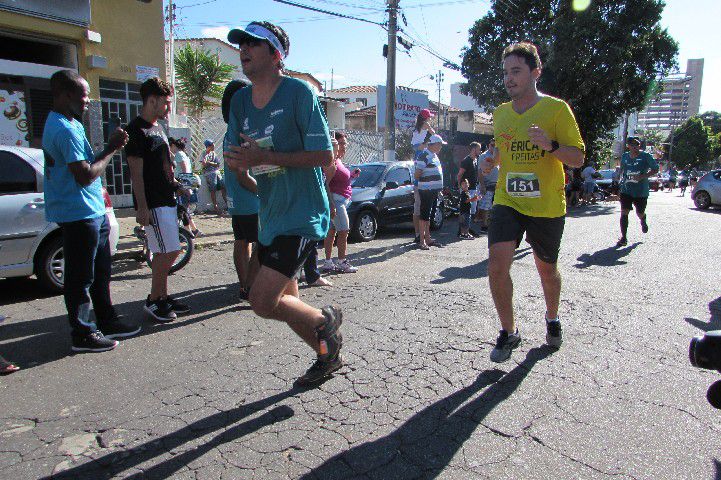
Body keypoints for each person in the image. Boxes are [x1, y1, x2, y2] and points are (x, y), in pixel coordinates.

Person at [224, 21, 344, 387]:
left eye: (252, 44)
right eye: (240, 44)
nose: (243, 49)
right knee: (287, 301)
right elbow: (239, 158)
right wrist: (242, 166)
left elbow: (324, 154)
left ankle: (325, 323)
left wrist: (268, 156)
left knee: (261, 300)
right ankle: (328, 355)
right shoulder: (241, 102)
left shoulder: (298, 93)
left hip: (303, 214)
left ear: (276, 54)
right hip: (270, 216)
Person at [487, 42, 585, 363]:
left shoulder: (556, 110)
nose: (509, 78)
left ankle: (552, 317)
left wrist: (550, 144)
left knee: (547, 270)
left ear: (535, 72)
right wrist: (489, 161)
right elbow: (500, 152)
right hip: (508, 200)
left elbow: (578, 157)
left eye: (516, 71)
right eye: (506, 73)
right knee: (497, 266)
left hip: (546, 205)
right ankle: (509, 331)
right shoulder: (500, 114)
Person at [42, 70, 140, 352]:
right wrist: (112, 148)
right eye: (83, 95)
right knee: (80, 277)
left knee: (100, 271)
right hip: (78, 213)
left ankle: (106, 319)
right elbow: (84, 175)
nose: (87, 100)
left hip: (92, 210)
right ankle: (82, 334)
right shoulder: (63, 128)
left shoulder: (71, 123)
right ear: (65, 94)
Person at [125, 77, 192, 323]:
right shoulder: (135, 131)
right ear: (151, 100)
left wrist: (177, 186)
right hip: (153, 202)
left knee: (167, 250)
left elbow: (164, 167)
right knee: (169, 251)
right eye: (165, 103)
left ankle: (162, 297)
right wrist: (142, 207)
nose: (168, 108)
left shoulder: (157, 128)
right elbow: (136, 172)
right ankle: (155, 300)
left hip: (166, 198)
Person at [221, 80, 263, 300]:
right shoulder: (241, 134)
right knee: (260, 243)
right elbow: (242, 174)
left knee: (241, 240)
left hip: (236, 200)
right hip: (250, 199)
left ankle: (244, 285)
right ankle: (250, 287)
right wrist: (264, 193)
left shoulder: (230, 132)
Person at [321, 131, 360, 273]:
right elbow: (326, 184)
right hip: (336, 201)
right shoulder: (331, 162)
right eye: (341, 143)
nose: (344, 146)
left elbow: (341, 180)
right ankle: (342, 261)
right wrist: (331, 204)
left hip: (340, 200)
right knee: (343, 231)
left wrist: (352, 175)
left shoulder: (338, 161)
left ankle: (328, 261)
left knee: (331, 231)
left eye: (345, 143)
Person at [616, 136, 658, 247]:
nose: (635, 147)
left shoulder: (646, 156)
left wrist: (643, 176)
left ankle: (643, 219)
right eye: (632, 145)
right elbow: (622, 170)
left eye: (637, 144)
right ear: (628, 146)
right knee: (624, 212)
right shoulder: (625, 156)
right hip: (627, 189)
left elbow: (656, 168)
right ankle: (624, 238)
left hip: (641, 191)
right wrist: (618, 183)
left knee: (639, 213)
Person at [414, 134, 445, 250]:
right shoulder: (424, 155)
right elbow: (417, 174)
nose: (441, 147)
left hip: (433, 191)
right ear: (434, 145)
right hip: (426, 190)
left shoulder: (434, 156)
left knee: (429, 216)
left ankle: (428, 238)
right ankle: (422, 241)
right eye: (440, 144)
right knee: (424, 216)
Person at [168, 137, 201, 237]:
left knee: (183, 208)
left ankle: (189, 232)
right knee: (184, 209)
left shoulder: (179, 154)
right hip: (186, 182)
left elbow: (184, 170)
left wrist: (185, 186)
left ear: (173, 145)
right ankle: (194, 230)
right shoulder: (183, 154)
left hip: (183, 182)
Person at [411, 109, 435, 243]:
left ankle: (422, 235)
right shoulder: (423, 128)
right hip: (421, 172)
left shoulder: (418, 130)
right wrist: (426, 144)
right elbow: (417, 147)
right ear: (425, 119)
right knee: (420, 206)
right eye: (429, 118)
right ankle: (420, 235)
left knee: (421, 207)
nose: (430, 120)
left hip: (423, 170)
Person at [457, 141, 481, 235]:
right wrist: (461, 188)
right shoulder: (466, 160)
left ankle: (467, 229)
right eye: (479, 149)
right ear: (474, 149)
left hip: (473, 188)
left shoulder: (475, 160)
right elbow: (459, 175)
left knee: (471, 211)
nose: (480, 151)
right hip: (467, 189)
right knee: (464, 211)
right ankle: (462, 231)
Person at [199, 139, 228, 215]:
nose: (213, 146)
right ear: (209, 146)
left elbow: (217, 164)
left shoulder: (213, 153)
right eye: (212, 145)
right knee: (213, 189)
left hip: (216, 172)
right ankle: (216, 207)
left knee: (223, 187)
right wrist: (211, 163)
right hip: (209, 173)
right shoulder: (203, 153)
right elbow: (204, 164)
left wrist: (209, 163)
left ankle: (227, 204)